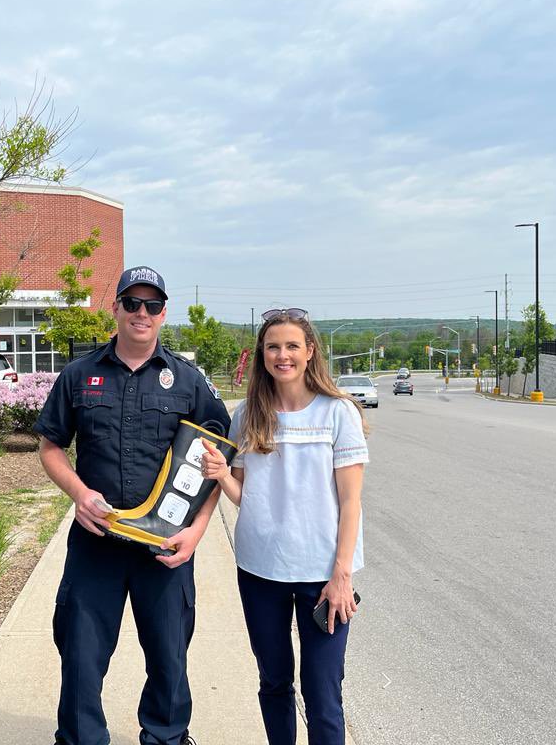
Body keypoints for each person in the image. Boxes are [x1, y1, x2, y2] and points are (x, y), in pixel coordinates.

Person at [34, 266, 232, 745]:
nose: (142, 313)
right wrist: (79, 494)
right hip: (97, 541)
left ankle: (166, 736)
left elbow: (218, 460)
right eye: (133, 303)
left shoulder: (187, 381)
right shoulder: (79, 375)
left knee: (168, 654)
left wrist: (197, 531)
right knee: (81, 651)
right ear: (117, 307)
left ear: (164, 314)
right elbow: (50, 446)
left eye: (153, 305)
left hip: (163, 545)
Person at [199, 308, 368, 745]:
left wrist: (341, 576)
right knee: (273, 681)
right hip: (260, 571)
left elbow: (351, 502)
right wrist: (221, 476)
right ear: (262, 354)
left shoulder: (338, 413)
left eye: (292, 345)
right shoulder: (248, 416)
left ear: (310, 351)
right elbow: (246, 497)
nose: (282, 355)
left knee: (322, 693)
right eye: (273, 346)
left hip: (322, 576)